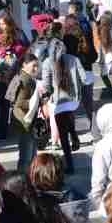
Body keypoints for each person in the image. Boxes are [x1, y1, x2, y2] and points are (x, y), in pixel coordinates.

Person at [43, 29, 84, 173]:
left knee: (63, 136)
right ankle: (74, 135)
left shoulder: (47, 63)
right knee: (68, 117)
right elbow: (84, 78)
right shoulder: (73, 59)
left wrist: (45, 96)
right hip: (73, 99)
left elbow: (47, 86)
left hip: (58, 102)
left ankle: (70, 165)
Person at [0, 13, 26, 142]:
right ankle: (3, 131)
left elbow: (24, 51)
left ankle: (21, 127)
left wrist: (14, 53)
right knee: (3, 105)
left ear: (9, 24)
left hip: (15, 76)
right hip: (2, 78)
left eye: (3, 23)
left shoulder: (17, 36)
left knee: (18, 103)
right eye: (0, 24)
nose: (1, 26)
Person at [6, 53, 42, 173]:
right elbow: (19, 104)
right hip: (25, 123)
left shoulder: (24, 78)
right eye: (34, 66)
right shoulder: (25, 80)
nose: (36, 69)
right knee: (27, 157)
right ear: (24, 65)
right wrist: (35, 100)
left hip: (25, 122)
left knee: (30, 156)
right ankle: (23, 180)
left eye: (37, 66)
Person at [64, 16, 98, 139]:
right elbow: (94, 57)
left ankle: (73, 137)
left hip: (73, 76)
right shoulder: (86, 36)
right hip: (87, 75)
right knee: (89, 106)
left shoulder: (66, 39)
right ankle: (96, 134)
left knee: (70, 108)